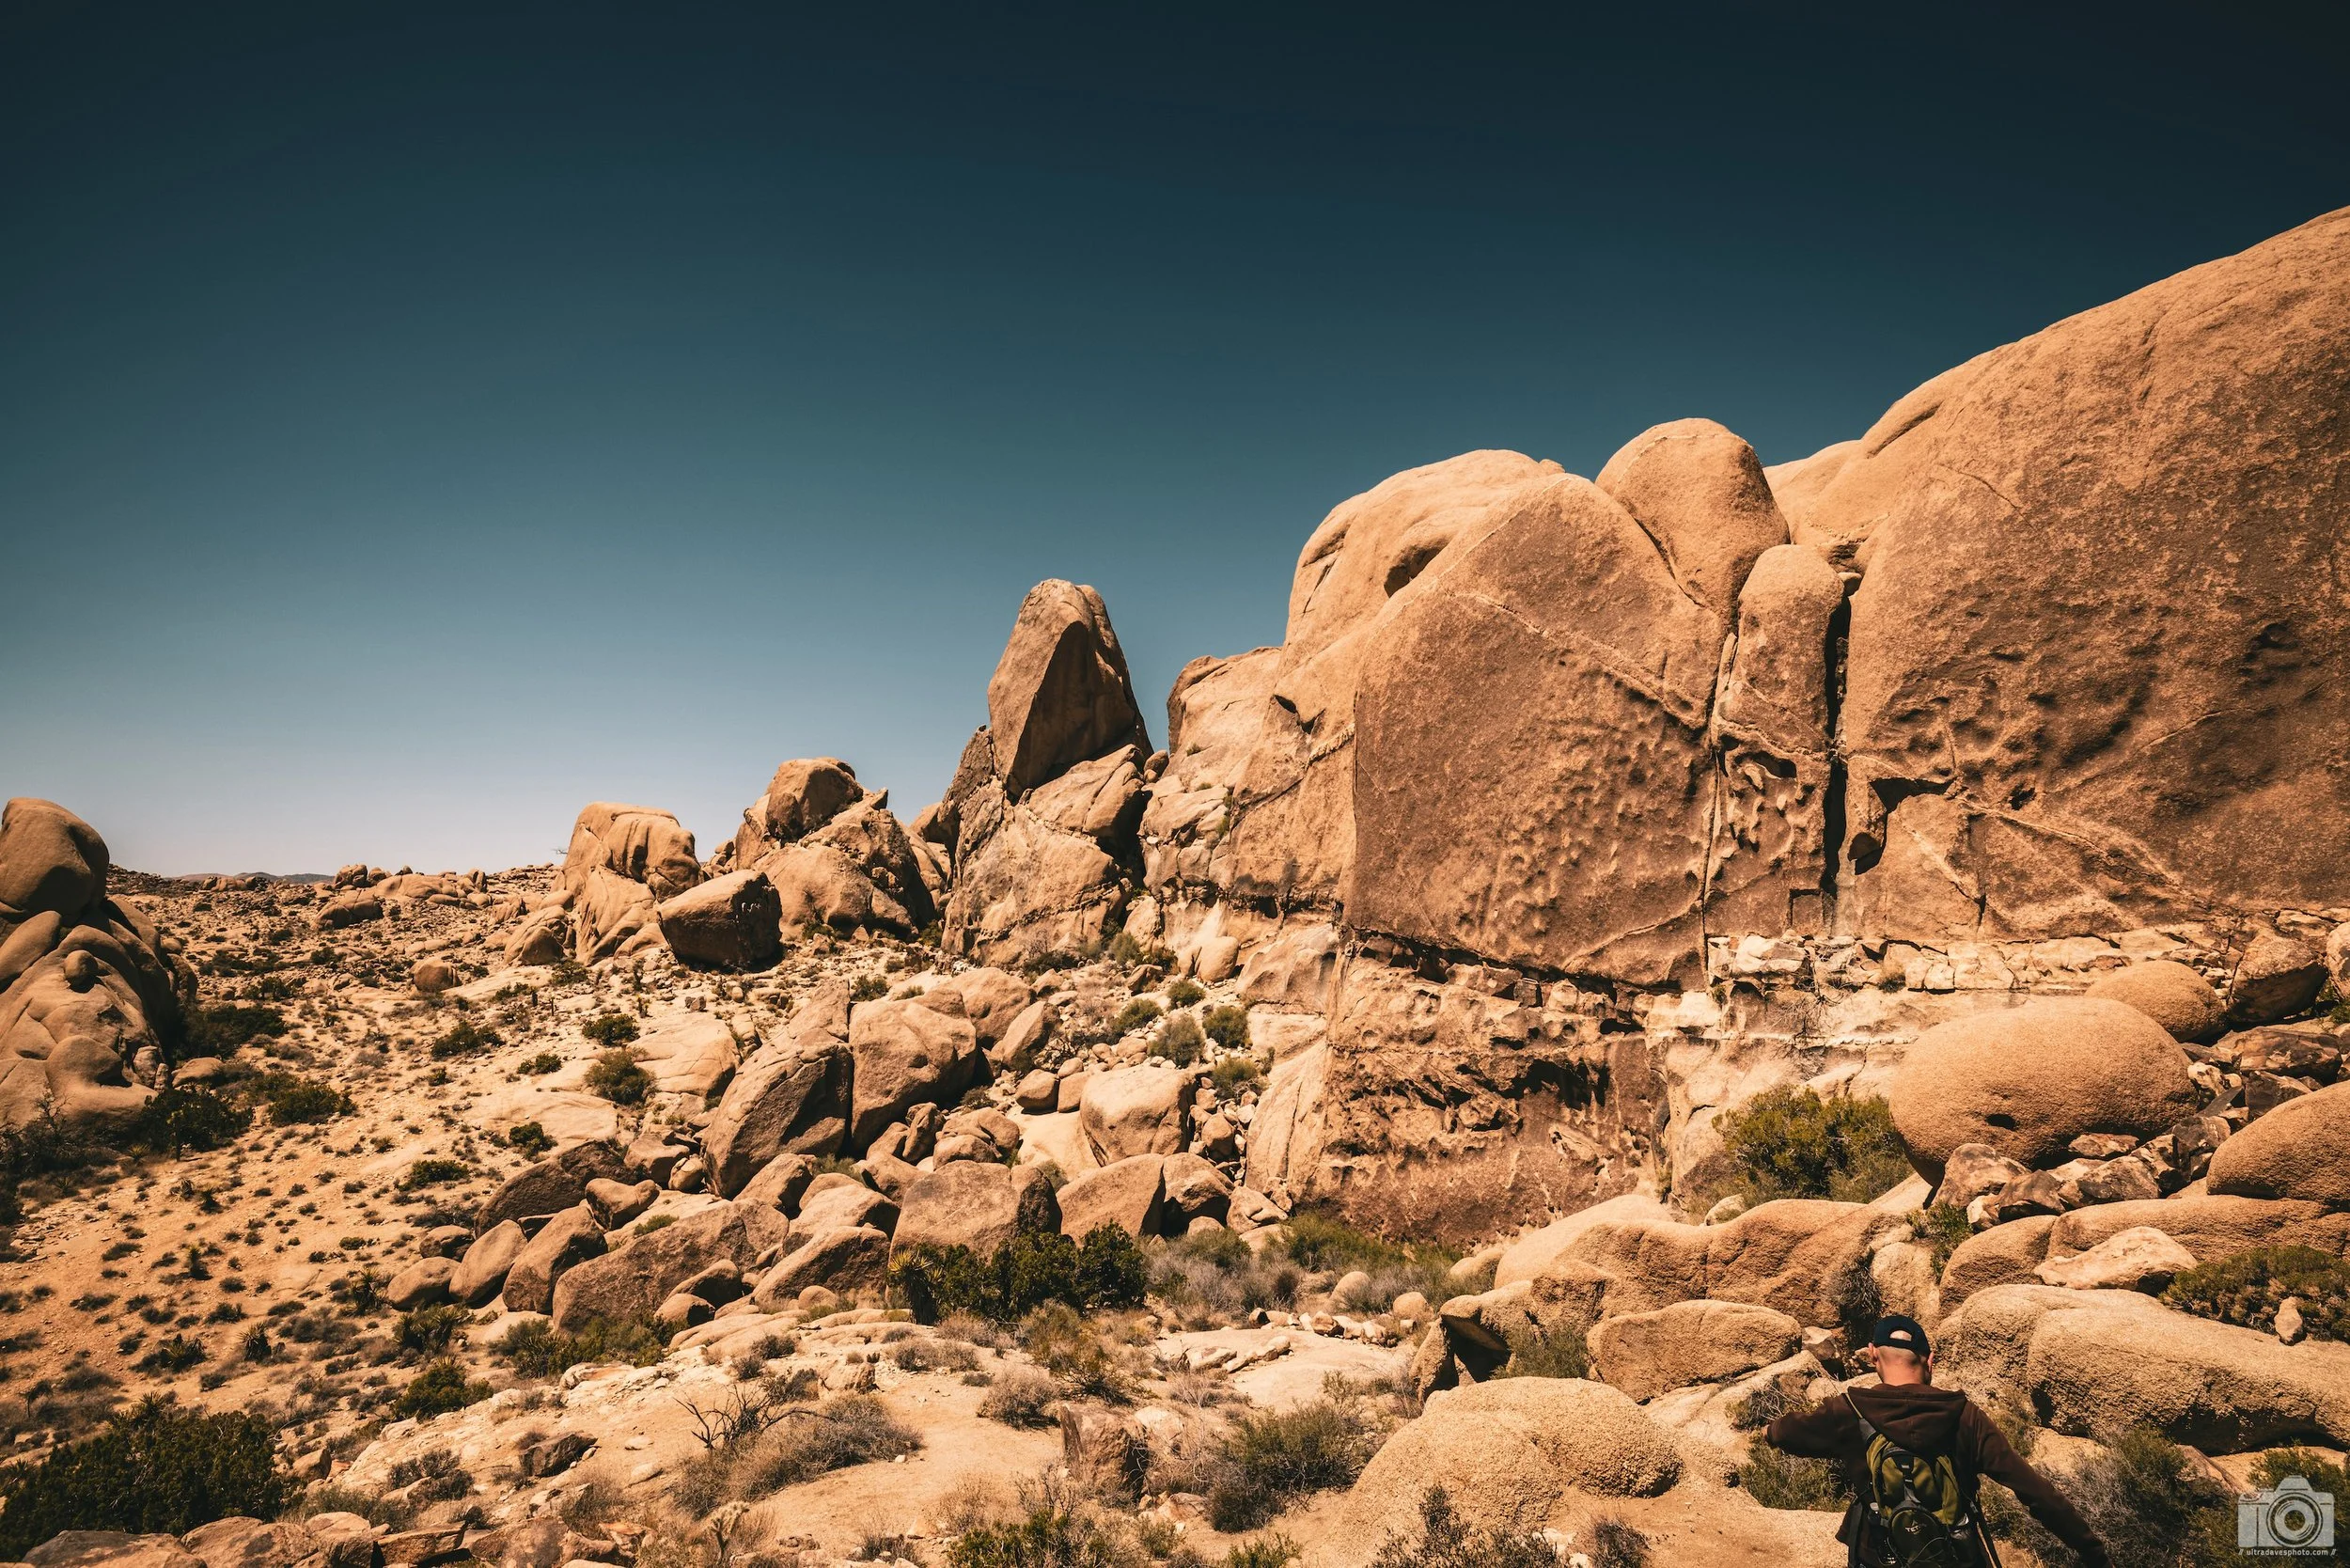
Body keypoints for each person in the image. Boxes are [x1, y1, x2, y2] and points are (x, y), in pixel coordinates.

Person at [1762, 1313, 2110, 1567]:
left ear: (1872, 1354)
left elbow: (1788, 1432)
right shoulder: (1963, 1414)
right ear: (1929, 1359)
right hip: (1956, 1556)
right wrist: (2091, 1550)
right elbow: (2034, 1490)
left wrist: (1769, 1432)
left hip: (1879, 1556)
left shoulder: (1848, 1410)